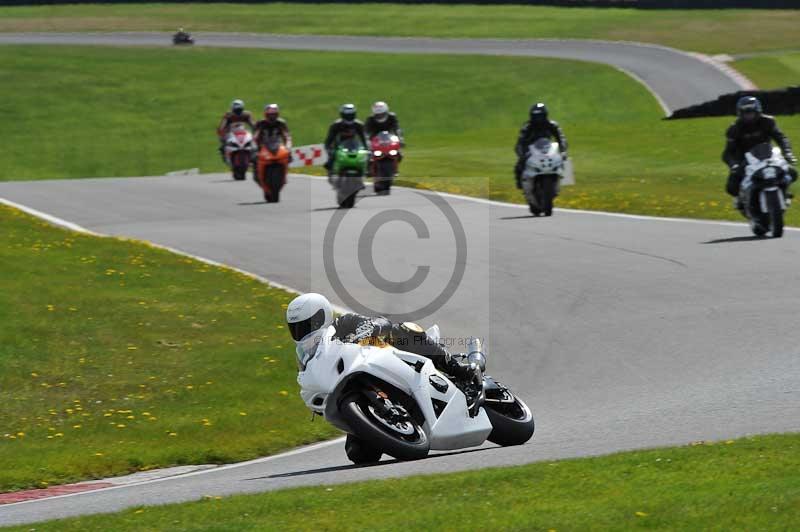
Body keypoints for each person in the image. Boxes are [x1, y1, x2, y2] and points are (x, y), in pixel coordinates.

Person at [286, 293, 479, 383]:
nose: (303, 331)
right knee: (358, 454)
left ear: (323, 316)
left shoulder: (342, 324)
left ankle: (457, 368)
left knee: (402, 330)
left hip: (392, 358)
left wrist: (373, 327)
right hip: (360, 384)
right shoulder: (308, 358)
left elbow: (381, 322)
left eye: (307, 325)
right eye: (296, 328)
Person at [723, 96, 797, 206]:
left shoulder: (768, 121)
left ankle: (784, 193)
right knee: (731, 187)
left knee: (792, 173)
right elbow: (727, 153)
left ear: (758, 111)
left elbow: (781, 138)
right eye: (746, 113)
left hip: (768, 156)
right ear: (740, 113)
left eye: (751, 112)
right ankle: (742, 200)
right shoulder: (734, 129)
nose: (749, 116)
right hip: (745, 160)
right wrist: (734, 165)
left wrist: (787, 152)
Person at [514, 103, 568, 189]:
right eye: (536, 116)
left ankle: (564, 180)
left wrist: (563, 150)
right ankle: (520, 182)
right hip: (531, 150)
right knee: (519, 164)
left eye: (540, 116)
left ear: (545, 115)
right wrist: (522, 155)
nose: (538, 119)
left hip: (547, 149)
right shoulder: (527, 126)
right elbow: (520, 142)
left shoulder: (552, 125)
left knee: (564, 159)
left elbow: (561, 138)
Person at [324, 104, 368, 178]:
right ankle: (331, 170)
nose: (349, 117)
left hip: (354, 145)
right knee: (333, 155)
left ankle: (366, 170)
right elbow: (329, 139)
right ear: (342, 115)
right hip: (339, 146)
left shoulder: (359, 125)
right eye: (347, 115)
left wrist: (366, 148)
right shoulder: (335, 125)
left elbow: (363, 138)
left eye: (351, 115)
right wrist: (329, 149)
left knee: (366, 156)